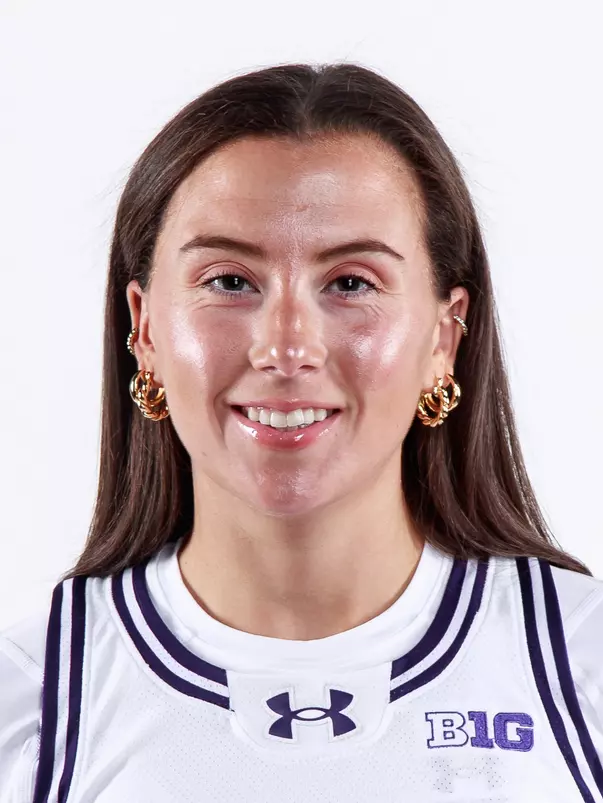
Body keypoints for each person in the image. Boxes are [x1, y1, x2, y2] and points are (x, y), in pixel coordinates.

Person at [1, 62, 602, 803]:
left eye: (351, 283)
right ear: (145, 328)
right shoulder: (34, 699)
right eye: (229, 281)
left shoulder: (579, 666)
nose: (285, 348)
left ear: (444, 337)